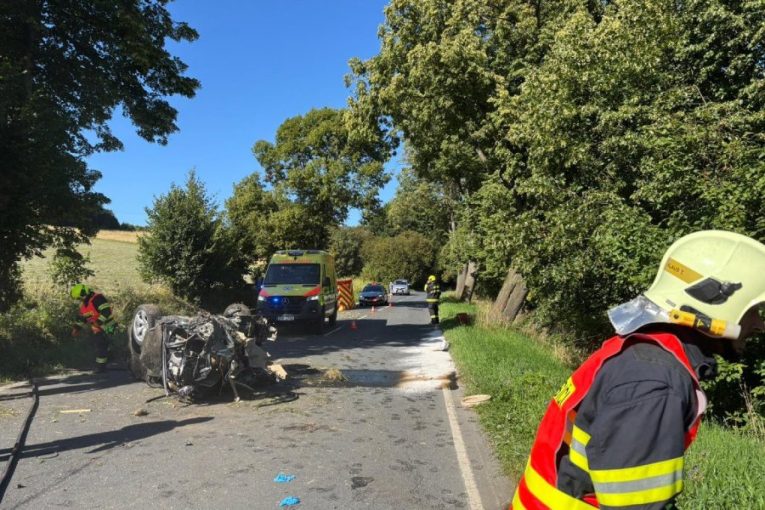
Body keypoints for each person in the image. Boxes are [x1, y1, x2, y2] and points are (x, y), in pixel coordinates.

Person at [511, 230, 765, 510]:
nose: (759, 325)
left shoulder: (643, 352)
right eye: (753, 311)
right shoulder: (655, 380)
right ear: (718, 305)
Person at [70, 284, 118, 373]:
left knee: (103, 346)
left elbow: (106, 311)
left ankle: (102, 366)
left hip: (109, 327)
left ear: (83, 294)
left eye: (79, 298)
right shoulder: (84, 306)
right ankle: (105, 364)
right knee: (100, 346)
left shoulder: (98, 298)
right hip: (98, 330)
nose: (79, 300)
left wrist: (98, 322)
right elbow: (82, 319)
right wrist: (76, 329)